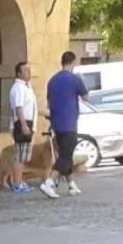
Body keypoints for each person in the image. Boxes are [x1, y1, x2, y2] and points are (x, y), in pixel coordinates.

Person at [38, 51, 89, 199]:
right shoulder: (74, 79)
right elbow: (86, 97)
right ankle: (49, 182)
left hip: (56, 124)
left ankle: (71, 184)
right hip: (69, 123)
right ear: (73, 62)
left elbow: (49, 103)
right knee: (66, 156)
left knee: (65, 154)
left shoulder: (52, 81)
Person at [8, 61, 38, 193]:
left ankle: (20, 180)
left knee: (24, 155)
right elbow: (19, 106)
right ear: (19, 73)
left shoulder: (27, 87)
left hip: (29, 122)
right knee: (19, 155)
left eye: (29, 70)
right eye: (25, 70)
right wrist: (24, 124)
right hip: (22, 123)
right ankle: (17, 182)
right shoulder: (18, 87)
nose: (28, 72)